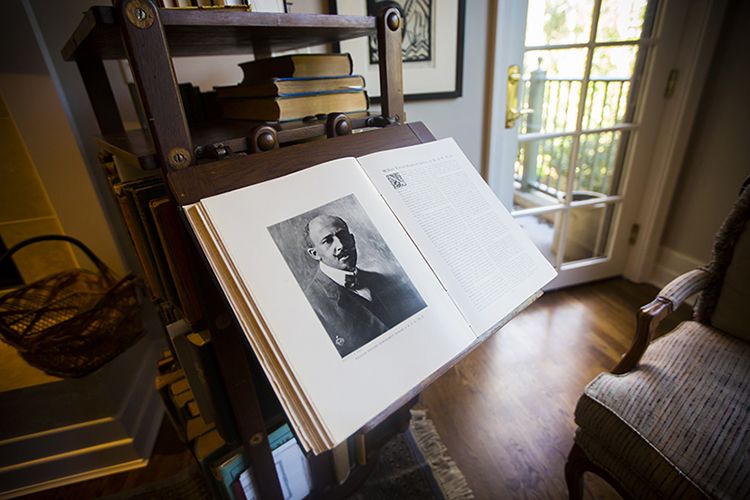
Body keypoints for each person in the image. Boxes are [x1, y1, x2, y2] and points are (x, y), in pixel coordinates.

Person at [303, 214, 426, 357]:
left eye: (342, 235)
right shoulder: (312, 305)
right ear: (314, 253)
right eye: (328, 241)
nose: (340, 245)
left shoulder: (384, 280)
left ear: (353, 239)